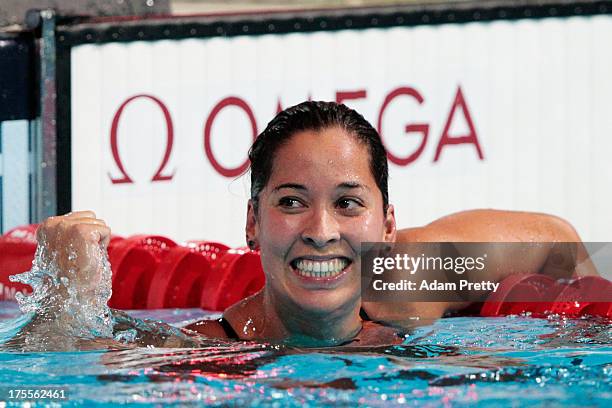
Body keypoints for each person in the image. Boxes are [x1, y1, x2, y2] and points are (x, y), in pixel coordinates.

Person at [14, 101, 598, 349]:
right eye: (291, 202)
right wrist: (69, 301)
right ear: (252, 222)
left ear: (387, 224)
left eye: (348, 203)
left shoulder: (411, 279)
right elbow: (49, 385)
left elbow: (557, 242)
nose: (321, 229)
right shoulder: (200, 353)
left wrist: (585, 321)